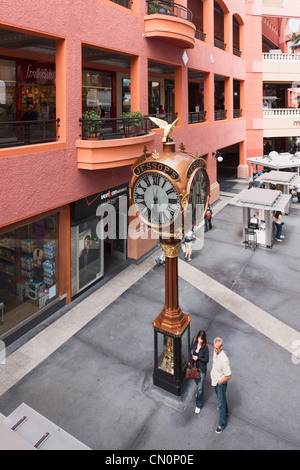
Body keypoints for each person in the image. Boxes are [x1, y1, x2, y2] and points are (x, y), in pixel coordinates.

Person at [210, 337, 232, 434]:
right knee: (221, 399)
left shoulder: (224, 360)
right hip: (215, 380)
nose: (214, 350)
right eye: (214, 347)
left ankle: (222, 425)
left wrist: (219, 382)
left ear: (221, 348)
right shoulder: (216, 352)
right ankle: (226, 411)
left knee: (220, 403)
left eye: (216, 348)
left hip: (220, 384)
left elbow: (229, 375)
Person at [191, 330, 209, 414]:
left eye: (201, 339)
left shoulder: (205, 347)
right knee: (197, 383)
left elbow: (206, 359)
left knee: (200, 388)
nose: (200, 340)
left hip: (201, 369)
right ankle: (199, 393)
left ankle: (198, 405)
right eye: (199, 338)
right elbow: (191, 351)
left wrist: (198, 358)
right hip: (195, 367)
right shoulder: (194, 343)